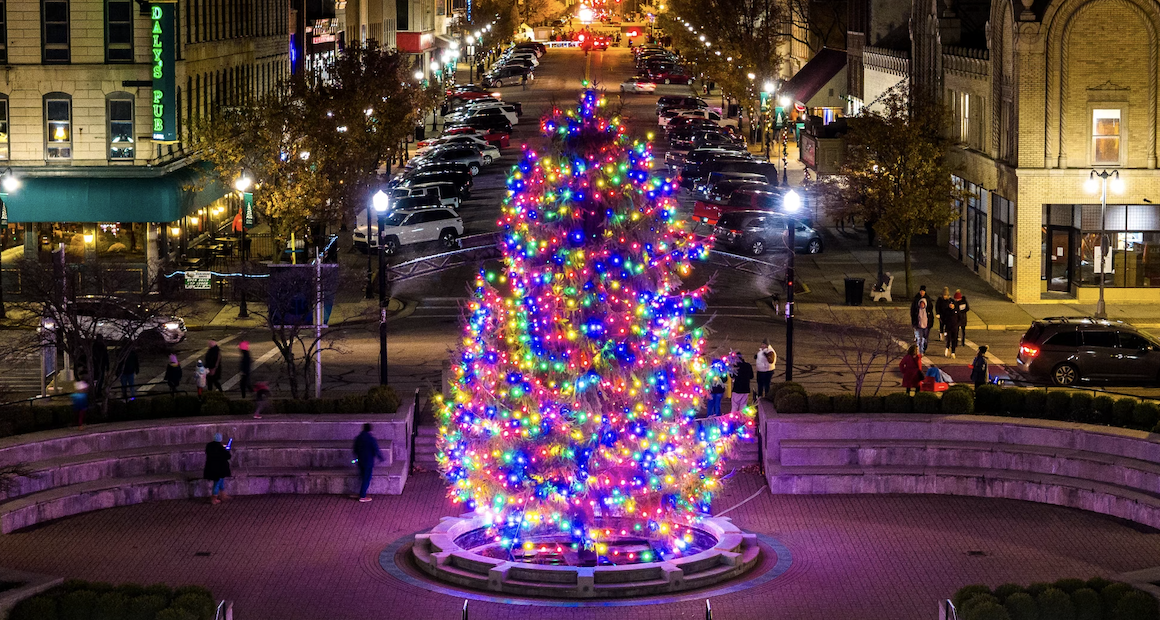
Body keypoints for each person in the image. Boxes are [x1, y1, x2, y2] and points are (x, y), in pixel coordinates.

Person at [353, 423, 385, 503]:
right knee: (366, 478)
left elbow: (355, 449)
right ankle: (362, 496)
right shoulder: (371, 439)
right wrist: (381, 458)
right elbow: (376, 450)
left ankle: (361, 493)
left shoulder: (358, 438)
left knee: (363, 476)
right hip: (368, 461)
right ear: (370, 430)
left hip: (360, 460)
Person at [204, 432, 232, 505]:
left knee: (220, 481)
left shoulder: (209, 446)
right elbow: (228, 456)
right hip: (219, 468)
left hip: (211, 467)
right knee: (217, 483)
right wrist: (227, 450)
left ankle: (223, 495)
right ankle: (214, 498)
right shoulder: (220, 448)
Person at [910, 286, 934, 354]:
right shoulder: (916, 299)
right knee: (919, 338)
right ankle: (919, 351)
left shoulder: (928, 299)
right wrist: (914, 323)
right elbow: (913, 312)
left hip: (926, 325)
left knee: (925, 338)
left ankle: (924, 348)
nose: (922, 292)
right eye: (921, 291)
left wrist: (930, 324)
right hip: (918, 324)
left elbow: (931, 312)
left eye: (923, 291)